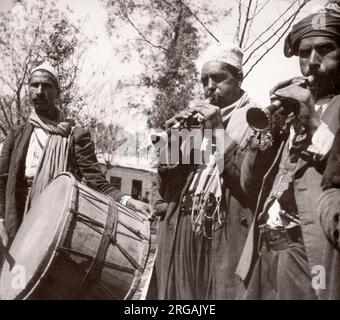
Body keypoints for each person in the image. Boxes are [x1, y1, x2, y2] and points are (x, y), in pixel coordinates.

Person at [236, 9, 340, 299]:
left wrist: (313, 122)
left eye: (326, 49)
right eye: (305, 53)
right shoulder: (293, 110)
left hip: (314, 253)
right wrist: (267, 133)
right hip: (269, 250)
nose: (313, 62)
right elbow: (249, 184)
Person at [0, 62, 154, 250]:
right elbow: (2, 180)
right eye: (34, 85)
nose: (39, 91)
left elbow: (97, 182)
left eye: (46, 85)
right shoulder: (17, 135)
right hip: (17, 216)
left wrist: (128, 201)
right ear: (28, 89)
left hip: (56, 220)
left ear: (57, 92)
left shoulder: (75, 136)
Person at [153, 44, 264, 299]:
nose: (209, 87)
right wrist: (170, 143)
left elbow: (250, 185)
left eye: (218, 78)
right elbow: (167, 188)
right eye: (204, 80)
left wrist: (216, 130)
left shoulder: (258, 119)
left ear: (239, 78)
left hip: (225, 229)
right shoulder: (195, 123)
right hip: (185, 225)